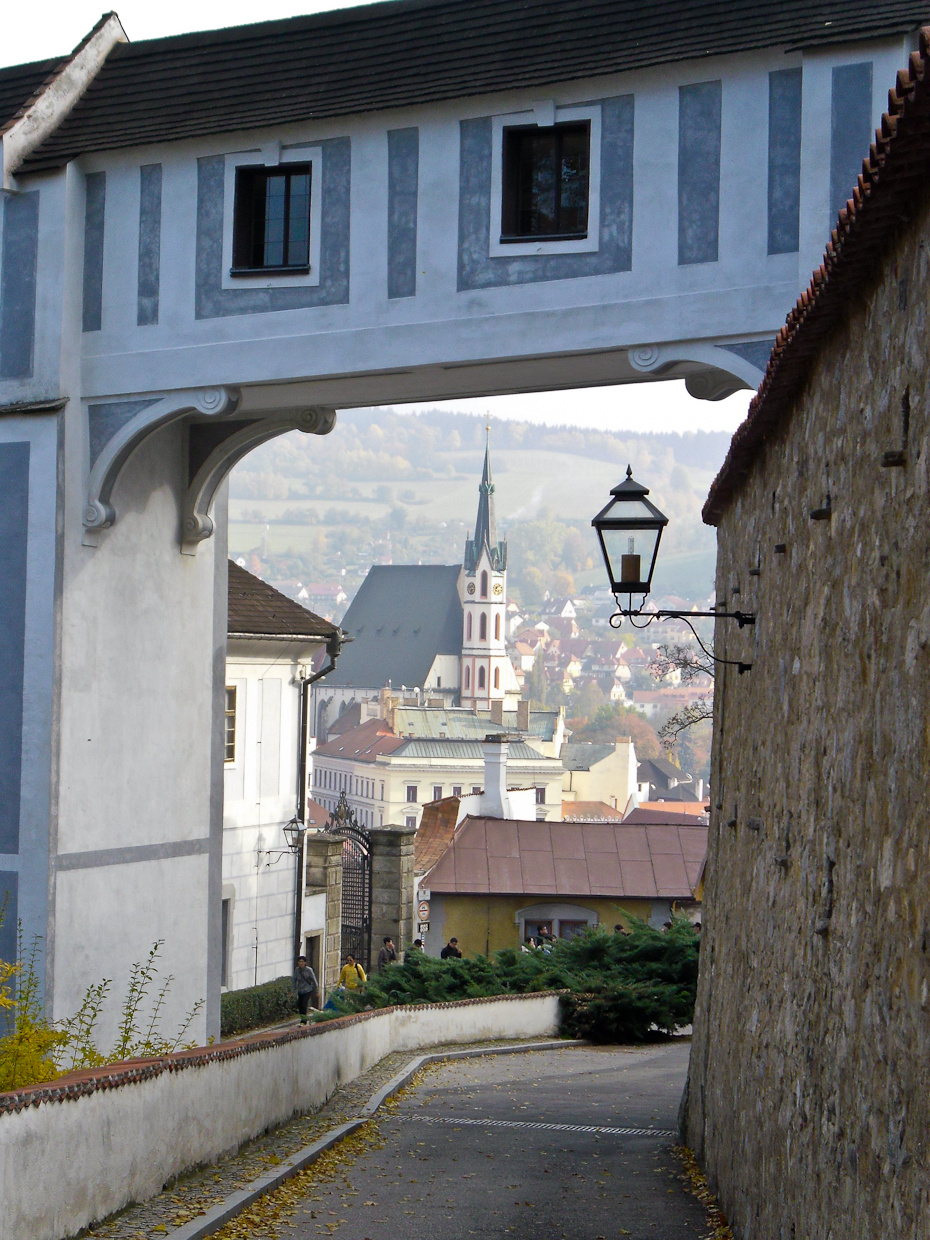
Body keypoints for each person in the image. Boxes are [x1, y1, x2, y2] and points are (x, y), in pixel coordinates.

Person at [292, 955, 318, 1023]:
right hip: (300, 990)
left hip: (308, 990)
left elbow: (314, 980)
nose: (301, 963)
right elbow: (294, 980)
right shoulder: (297, 970)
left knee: (304, 1004)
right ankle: (302, 1017)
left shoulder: (309, 970)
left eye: (302, 962)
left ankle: (304, 1020)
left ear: (305, 963)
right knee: (300, 1005)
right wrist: (292, 990)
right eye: (299, 962)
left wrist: (316, 991)